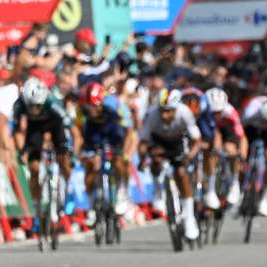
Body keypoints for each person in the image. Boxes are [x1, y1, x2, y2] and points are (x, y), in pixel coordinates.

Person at [138, 89, 202, 240]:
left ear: (176, 108)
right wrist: (143, 158)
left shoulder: (184, 113)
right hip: (158, 141)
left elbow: (196, 140)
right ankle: (158, 193)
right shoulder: (152, 115)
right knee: (155, 160)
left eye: (169, 111)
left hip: (177, 142)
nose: (165, 115)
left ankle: (189, 217)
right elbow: (143, 142)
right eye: (162, 111)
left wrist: (189, 156)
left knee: (181, 173)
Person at [13, 76, 74, 219]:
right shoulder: (19, 105)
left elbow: (69, 128)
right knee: (33, 168)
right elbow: (15, 130)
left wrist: (69, 150)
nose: (34, 110)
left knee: (63, 158)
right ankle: (36, 206)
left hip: (54, 124)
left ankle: (68, 189)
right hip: (35, 129)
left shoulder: (52, 103)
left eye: (37, 106)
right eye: (30, 107)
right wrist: (22, 151)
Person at [77, 81, 128, 224]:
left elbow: (125, 132)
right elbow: (80, 132)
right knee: (90, 166)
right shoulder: (82, 111)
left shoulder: (112, 107)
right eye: (88, 107)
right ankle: (92, 204)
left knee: (118, 161)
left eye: (93, 106)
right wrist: (83, 152)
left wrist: (121, 151)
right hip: (92, 133)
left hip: (112, 131)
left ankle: (121, 190)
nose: (90, 110)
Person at [206, 87, 247, 206]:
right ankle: (210, 189)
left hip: (227, 130)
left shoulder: (230, 112)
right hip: (211, 129)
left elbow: (241, 136)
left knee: (231, 149)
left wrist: (241, 153)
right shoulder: (203, 110)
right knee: (210, 151)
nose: (217, 115)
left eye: (219, 112)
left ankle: (235, 184)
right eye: (214, 112)